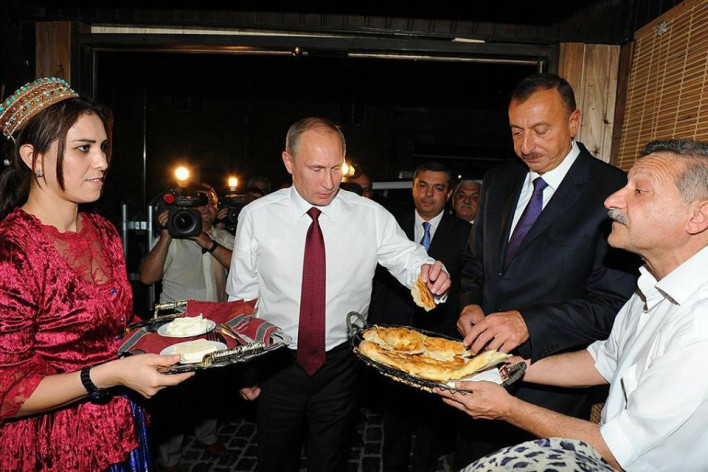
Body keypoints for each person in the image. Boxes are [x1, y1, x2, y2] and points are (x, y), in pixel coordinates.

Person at [437, 138, 708, 472]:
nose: (611, 200)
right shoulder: (651, 285)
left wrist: (507, 408)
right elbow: (602, 361)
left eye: (639, 191)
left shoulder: (700, 325)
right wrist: (505, 366)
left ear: (698, 216)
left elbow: (619, 451)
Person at [225, 117, 451, 472]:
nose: (329, 182)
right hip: (275, 363)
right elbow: (241, 296)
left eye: (336, 168)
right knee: (275, 460)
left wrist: (429, 273)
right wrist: (244, 366)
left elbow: (408, 258)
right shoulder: (257, 216)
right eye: (316, 169)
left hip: (341, 366)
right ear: (288, 161)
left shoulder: (370, 216)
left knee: (330, 462)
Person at [0, 77, 193, 471]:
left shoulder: (103, 231)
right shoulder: (12, 252)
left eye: (103, 147)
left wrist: (178, 339)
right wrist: (107, 375)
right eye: (83, 148)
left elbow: (113, 327)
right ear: (33, 158)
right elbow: (7, 393)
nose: (103, 162)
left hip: (120, 426)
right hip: (52, 445)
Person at [454, 72, 640, 465]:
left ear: (573, 122)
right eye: (516, 132)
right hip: (477, 374)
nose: (526, 146)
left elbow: (613, 306)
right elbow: (474, 263)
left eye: (540, 130)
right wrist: (469, 303)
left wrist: (529, 324)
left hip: (551, 392)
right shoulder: (498, 180)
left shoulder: (612, 192)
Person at [369, 161, 471, 472]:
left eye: (438, 188)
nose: (429, 194)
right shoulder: (390, 224)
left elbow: (468, 285)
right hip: (393, 338)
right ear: (413, 187)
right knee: (395, 417)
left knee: (432, 419)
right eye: (422, 185)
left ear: (448, 194)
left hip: (438, 340)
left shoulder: (465, 233)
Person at [138, 183, 234, 472]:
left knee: (210, 389)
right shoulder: (172, 238)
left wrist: (208, 243)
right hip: (175, 331)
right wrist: (167, 234)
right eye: (199, 203)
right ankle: (169, 458)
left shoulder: (222, 238)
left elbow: (241, 265)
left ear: (217, 209)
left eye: (210, 203)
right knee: (174, 395)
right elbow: (147, 277)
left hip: (213, 328)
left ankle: (208, 436)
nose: (205, 209)